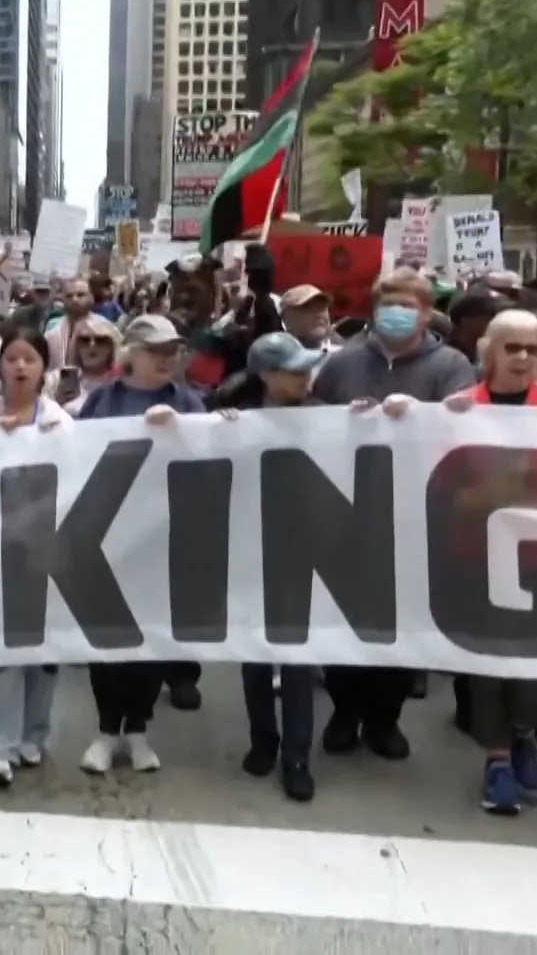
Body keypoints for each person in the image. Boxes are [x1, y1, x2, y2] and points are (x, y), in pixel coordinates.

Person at [436, 311, 537, 816]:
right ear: (490, 354)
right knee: (487, 664)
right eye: (513, 348)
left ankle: (526, 731)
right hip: (477, 557)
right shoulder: (458, 413)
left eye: (534, 349)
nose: (525, 358)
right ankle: (497, 759)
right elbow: (437, 486)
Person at [309, 269, 475, 761]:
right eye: (388, 304)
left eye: (408, 305)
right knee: (345, 617)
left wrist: (422, 416)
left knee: (402, 621)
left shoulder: (451, 364)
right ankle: (345, 711)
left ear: (426, 313)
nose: (397, 314)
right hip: (349, 506)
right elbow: (309, 423)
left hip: (417, 513)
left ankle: (385, 718)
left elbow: (465, 422)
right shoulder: (342, 363)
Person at [76, 314, 211, 760]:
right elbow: (76, 456)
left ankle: (137, 728)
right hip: (108, 537)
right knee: (107, 640)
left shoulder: (190, 402)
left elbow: (211, 461)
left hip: (162, 539)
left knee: (150, 639)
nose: (167, 359)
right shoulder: (102, 402)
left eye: (172, 351)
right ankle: (105, 729)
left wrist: (193, 431)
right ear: (131, 354)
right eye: (156, 351)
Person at [214, 332, 328, 802]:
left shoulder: (329, 416)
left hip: (304, 548)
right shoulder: (228, 413)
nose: (305, 379)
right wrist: (217, 429)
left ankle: (296, 755)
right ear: (265, 376)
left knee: (298, 659)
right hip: (246, 548)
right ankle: (264, 739)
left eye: (307, 370)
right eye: (294, 371)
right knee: (255, 656)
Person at [0, 325, 66, 787]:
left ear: (45, 368)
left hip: (47, 549)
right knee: (0, 654)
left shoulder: (60, 420)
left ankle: (34, 737)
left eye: (31, 359)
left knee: (43, 652)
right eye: (12, 358)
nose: (20, 367)